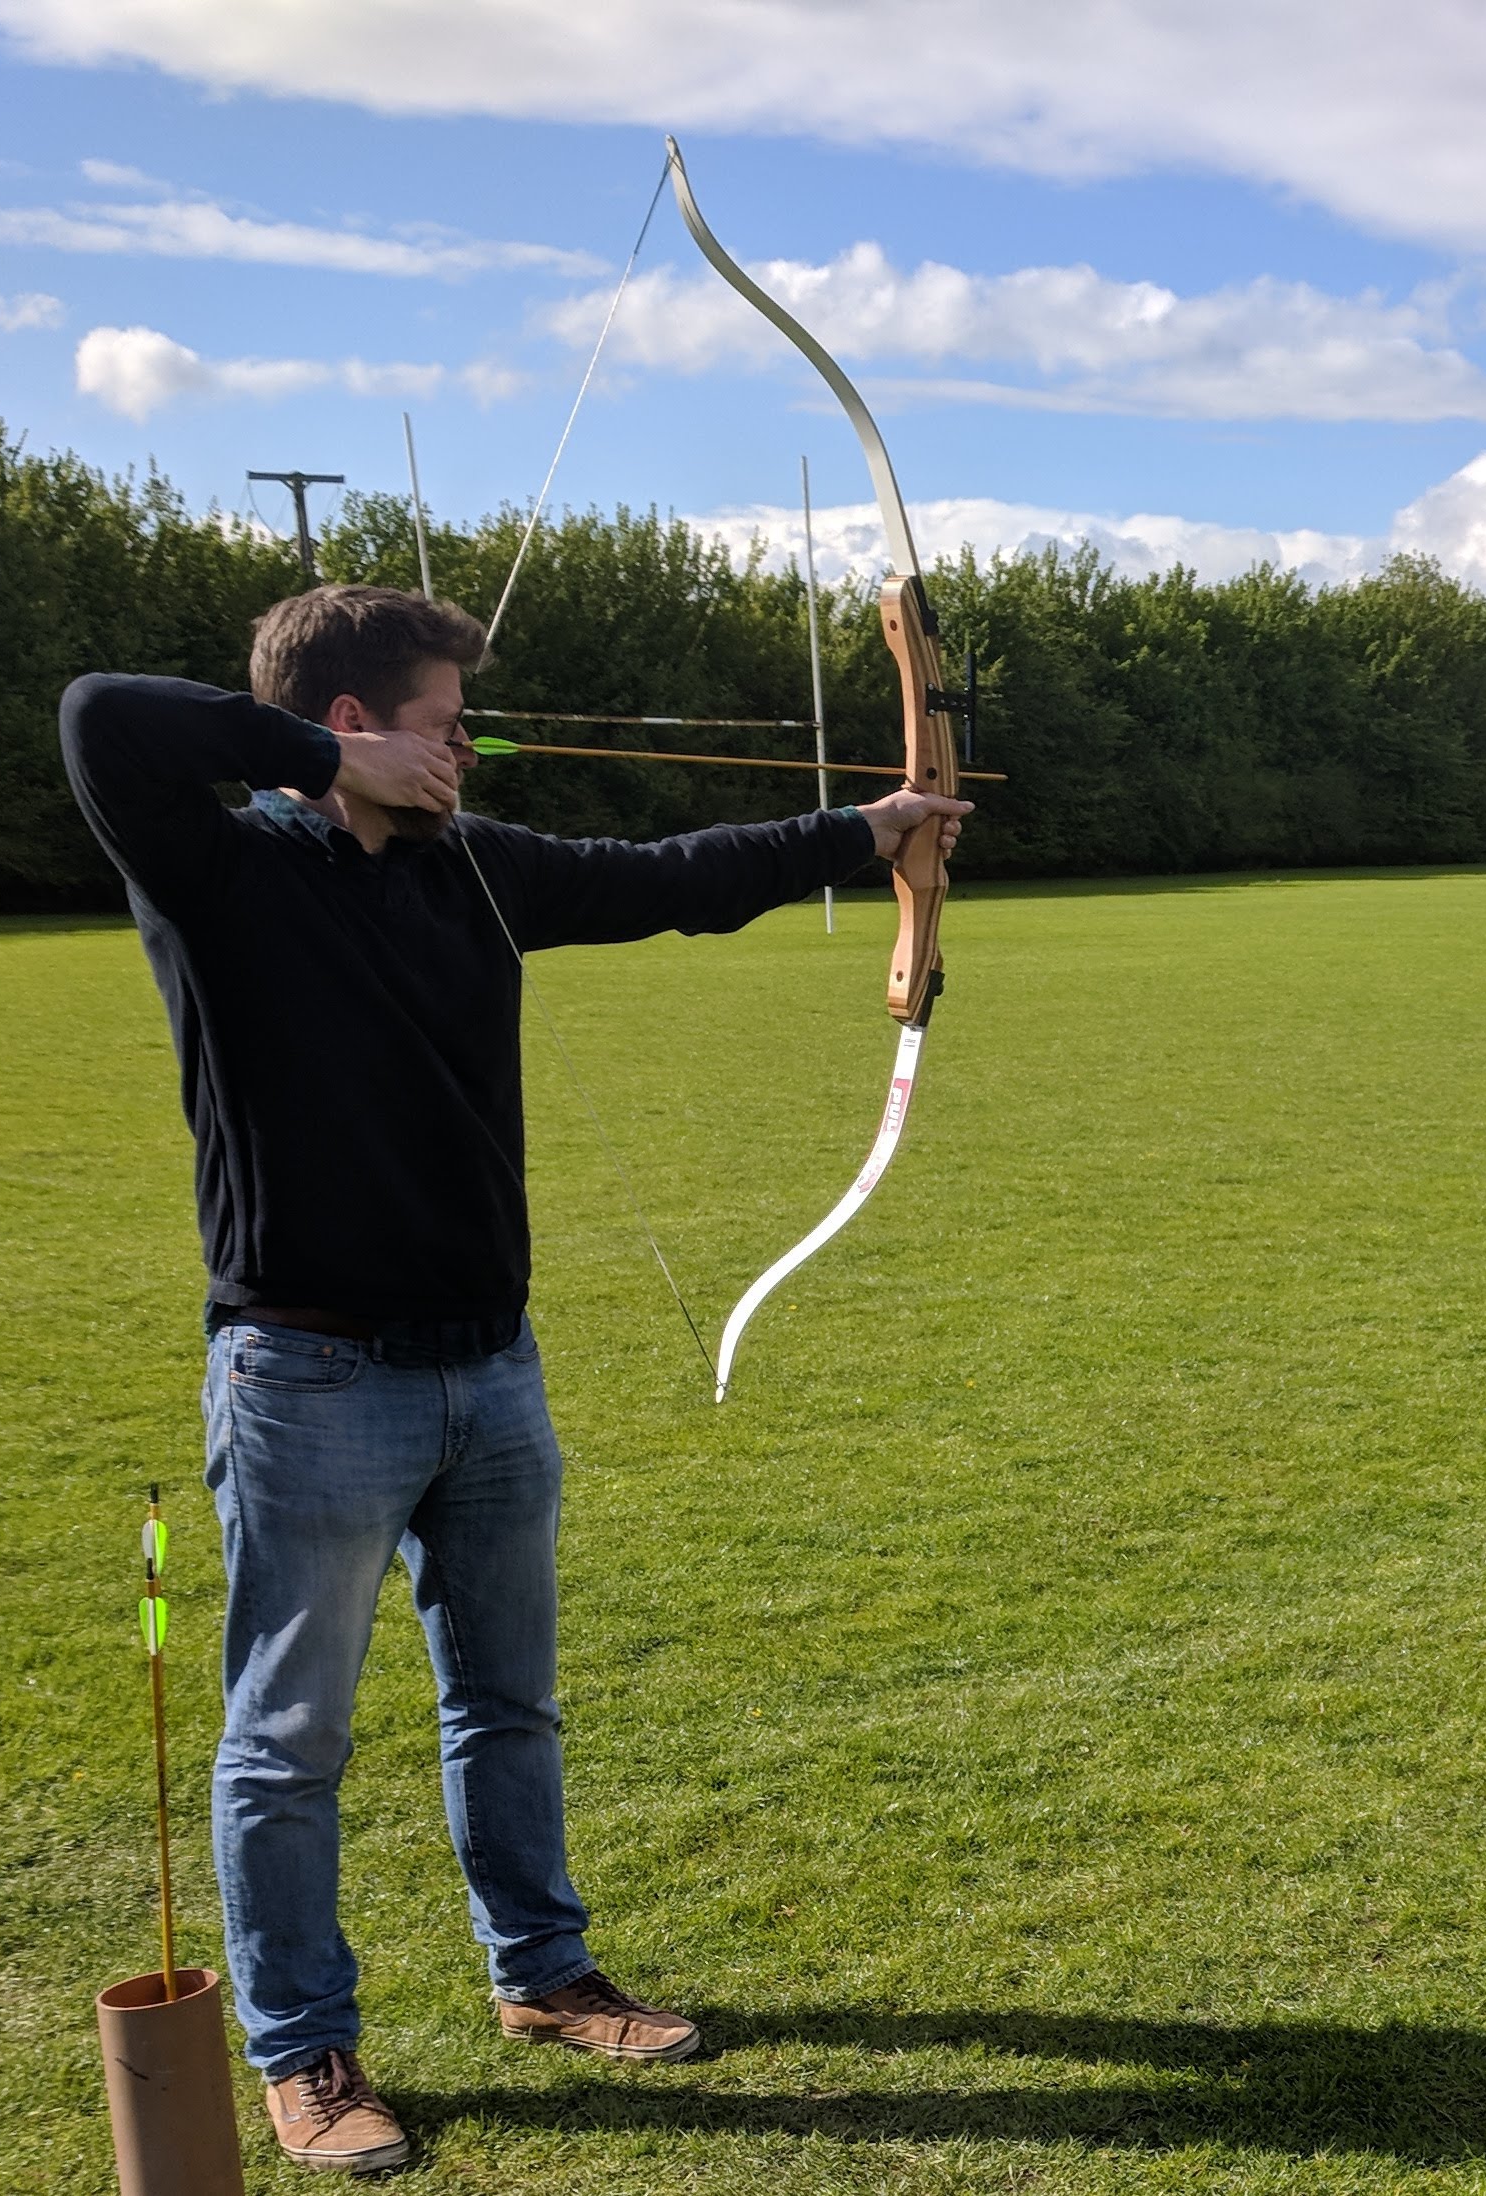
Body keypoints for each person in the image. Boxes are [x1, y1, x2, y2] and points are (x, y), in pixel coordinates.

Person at [60, 585, 970, 2175]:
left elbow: (673, 878)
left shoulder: (471, 868)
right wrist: (312, 769)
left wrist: (874, 827)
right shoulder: (217, 871)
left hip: (492, 1366)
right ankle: (306, 2053)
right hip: (308, 1374)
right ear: (349, 725)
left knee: (510, 1704)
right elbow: (101, 714)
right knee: (288, 1740)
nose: (467, 745)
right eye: (441, 717)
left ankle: (543, 1977)